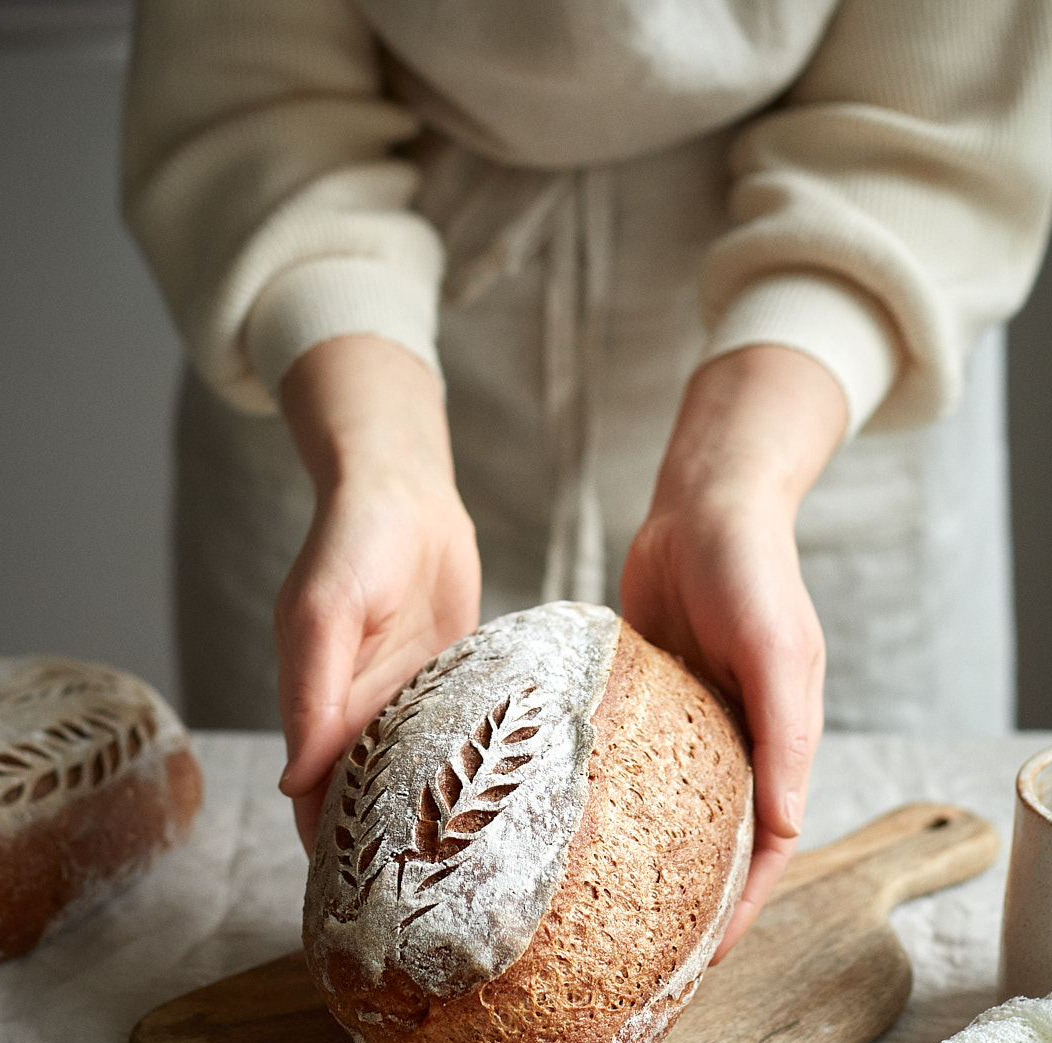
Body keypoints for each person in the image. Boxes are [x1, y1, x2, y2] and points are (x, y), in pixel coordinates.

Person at [123, 0, 1052, 957]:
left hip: (818, 381)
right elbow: (256, 94)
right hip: (351, 372)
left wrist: (735, 487)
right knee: (305, 892)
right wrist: (381, 471)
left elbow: (937, 126)